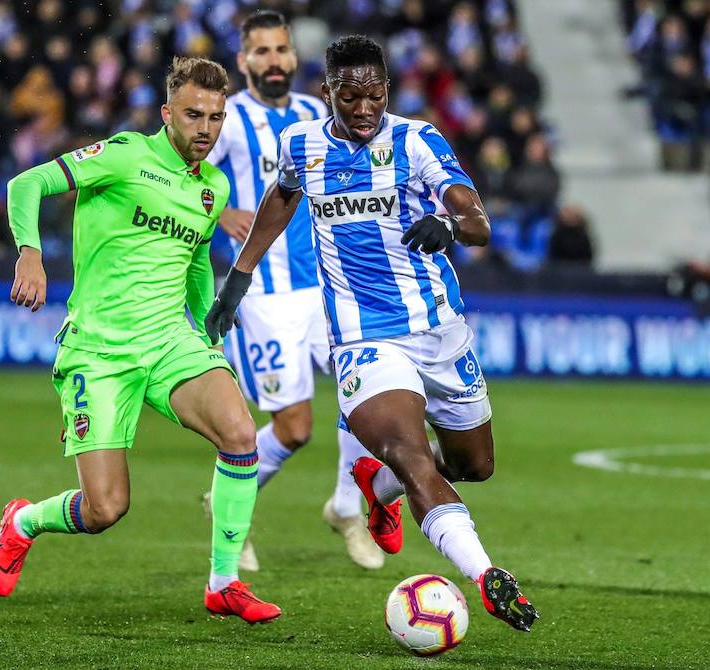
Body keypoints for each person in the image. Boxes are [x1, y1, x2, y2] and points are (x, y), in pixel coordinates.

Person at [206, 35, 540, 633]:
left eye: (375, 95)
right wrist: (239, 275)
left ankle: (374, 486)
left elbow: (478, 220)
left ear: (388, 88)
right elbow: (282, 196)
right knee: (413, 456)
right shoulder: (302, 142)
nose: (364, 108)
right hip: (363, 337)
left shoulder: (416, 140)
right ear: (328, 90)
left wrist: (449, 224)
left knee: (473, 464)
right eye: (350, 96)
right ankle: (486, 575)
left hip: (439, 330)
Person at [0, 56, 281, 624]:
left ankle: (223, 581)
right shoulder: (124, 155)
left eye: (216, 117)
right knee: (105, 509)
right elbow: (28, 183)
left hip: (170, 340)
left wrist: (207, 319)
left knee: (241, 432)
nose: (205, 129)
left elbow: (193, 258)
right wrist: (30, 252)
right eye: (194, 115)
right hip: (98, 351)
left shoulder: (212, 189)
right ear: (167, 113)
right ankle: (22, 521)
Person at [204, 10, 382, 572]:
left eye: (281, 50)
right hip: (265, 297)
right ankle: (225, 503)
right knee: (295, 428)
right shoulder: (227, 122)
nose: (275, 61)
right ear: (243, 61)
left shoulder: (314, 113)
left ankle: (346, 507)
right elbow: (183, 183)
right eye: (261, 52)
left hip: (331, 289)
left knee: (369, 399)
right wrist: (223, 209)